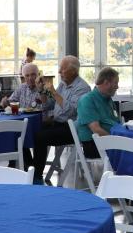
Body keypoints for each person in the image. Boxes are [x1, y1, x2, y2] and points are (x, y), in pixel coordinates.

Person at [26, 55, 91, 183]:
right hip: (57, 123)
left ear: (74, 71)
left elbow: (70, 110)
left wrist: (55, 93)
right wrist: (41, 91)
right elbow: (48, 105)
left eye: (62, 69)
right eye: (59, 69)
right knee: (27, 130)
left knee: (40, 137)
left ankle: (36, 176)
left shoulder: (83, 88)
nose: (59, 72)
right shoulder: (63, 84)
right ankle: (28, 169)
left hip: (72, 128)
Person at [77, 66, 122, 156]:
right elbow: (96, 130)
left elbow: (116, 122)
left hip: (109, 141)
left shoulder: (108, 99)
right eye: (115, 83)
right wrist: (119, 142)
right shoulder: (87, 100)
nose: (117, 87)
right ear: (106, 83)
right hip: (94, 144)